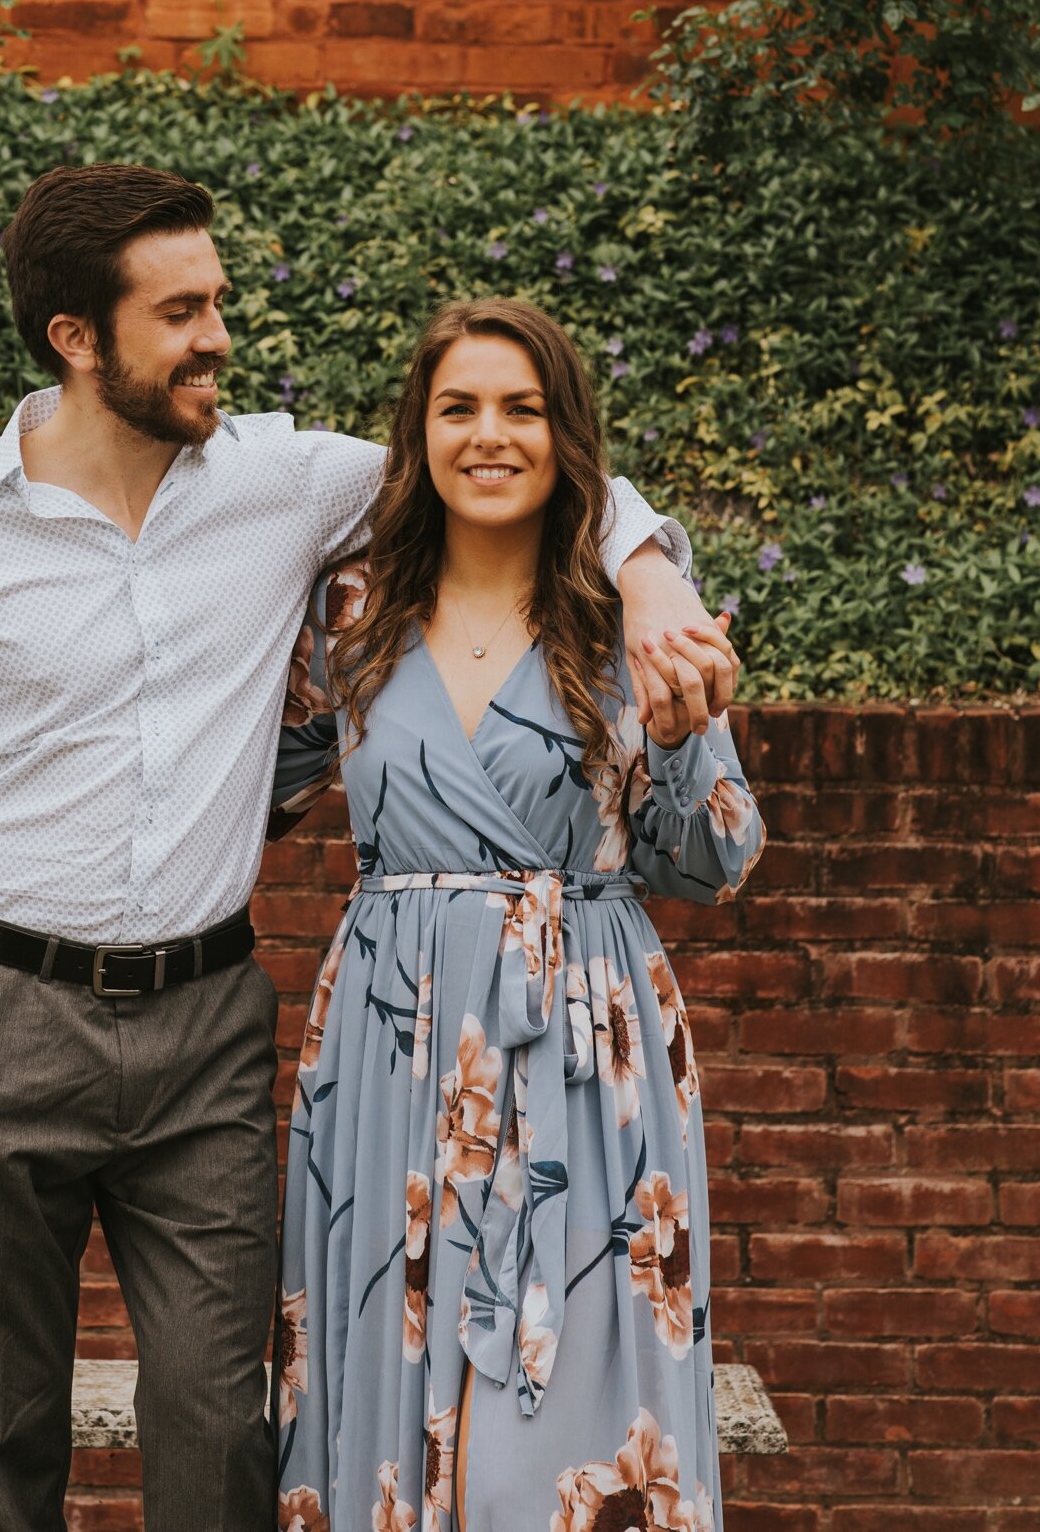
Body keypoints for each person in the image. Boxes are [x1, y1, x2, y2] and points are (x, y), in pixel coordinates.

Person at [0, 164, 736, 1532]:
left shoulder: (287, 483)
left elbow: (509, 460)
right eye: (182, 311)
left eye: (217, 299)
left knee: (226, 1428)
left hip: (206, 1033)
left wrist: (649, 570)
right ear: (76, 336)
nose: (218, 335)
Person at [270, 297, 764, 1532]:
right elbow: (235, 792)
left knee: (574, 1412)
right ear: (417, 435)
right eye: (458, 409)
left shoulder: (626, 610)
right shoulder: (350, 610)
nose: (490, 436)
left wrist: (677, 732)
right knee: (382, 1366)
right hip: (392, 1046)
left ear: (567, 436)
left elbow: (715, 862)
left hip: (588, 1059)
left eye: (522, 409)